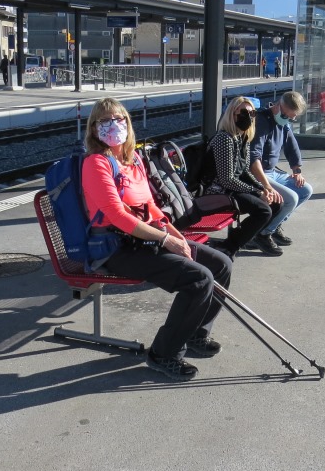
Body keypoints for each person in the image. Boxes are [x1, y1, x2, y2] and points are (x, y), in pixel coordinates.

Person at [81, 97, 233, 382]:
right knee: (198, 279)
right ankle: (163, 354)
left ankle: (195, 334)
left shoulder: (133, 159)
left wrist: (178, 237)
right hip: (117, 248)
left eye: (119, 119)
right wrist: (166, 241)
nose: (113, 125)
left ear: (128, 123)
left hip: (146, 239)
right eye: (105, 121)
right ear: (93, 128)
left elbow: (151, 208)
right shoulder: (96, 163)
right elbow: (117, 216)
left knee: (221, 264)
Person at [204, 97, 282, 257]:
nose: (249, 116)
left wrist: (264, 188)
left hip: (232, 188)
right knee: (263, 211)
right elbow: (227, 179)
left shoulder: (242, 138)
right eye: (244, 112)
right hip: (218, 191)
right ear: (232, 114)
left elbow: (244, 172)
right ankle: (229, 247)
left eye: (252, 113)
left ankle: (244, 238)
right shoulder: (224, 139)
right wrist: (257, 192)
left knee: (275, 204)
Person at [249, 91, 313, 249]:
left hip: (273, 172)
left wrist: (297, 171)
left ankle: (274, 226)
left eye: (292, 118)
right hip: (258, 174)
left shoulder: (284, 123)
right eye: (286, 116)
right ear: (278, 106)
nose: (288, 120)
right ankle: (262, 234)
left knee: (305, 190)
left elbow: (292, 145)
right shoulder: (261, 121)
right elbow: (253, 159)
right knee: (291, 199)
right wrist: (267, 186)